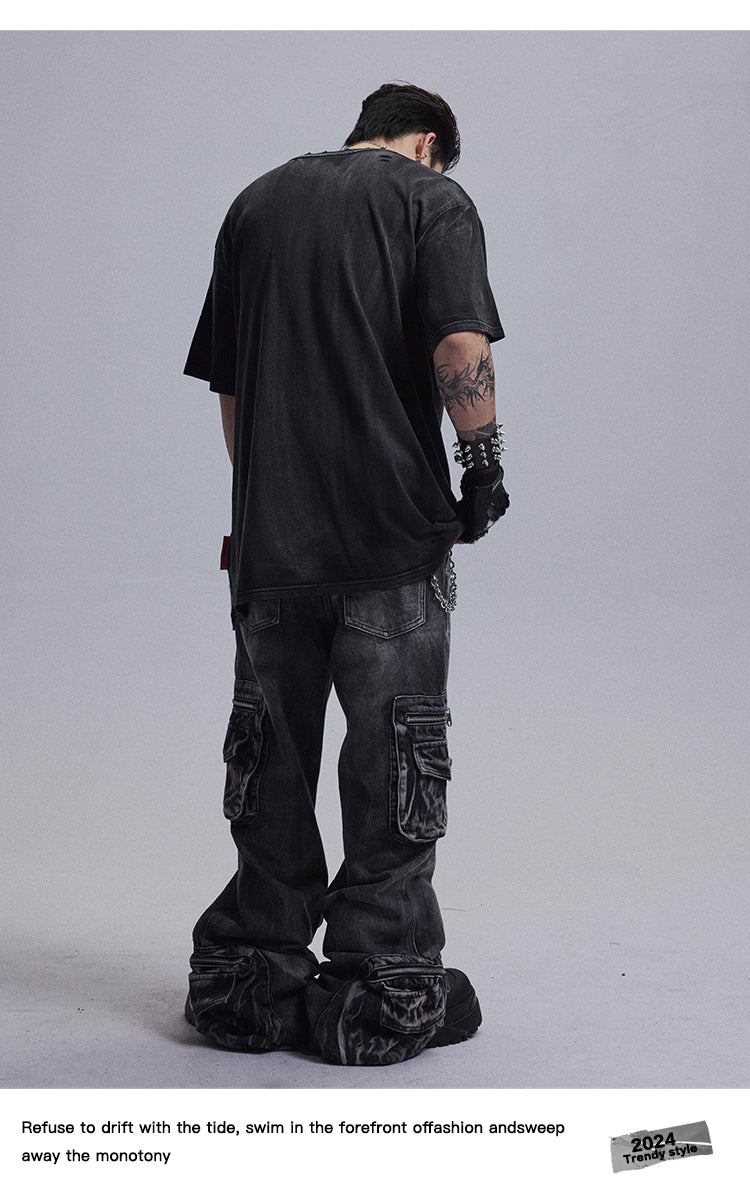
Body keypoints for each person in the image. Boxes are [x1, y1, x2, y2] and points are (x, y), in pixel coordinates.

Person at [183, 82, 509, 1066]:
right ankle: (382, 983)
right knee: (396, 759)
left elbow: (231, 387)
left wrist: (268, 503)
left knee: (268, 764)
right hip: (388, 541)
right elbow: (460, 342)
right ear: (428, 142)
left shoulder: (255, 204)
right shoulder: (432, 199)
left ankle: (250, 981)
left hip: (270, 548)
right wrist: (483, 466)